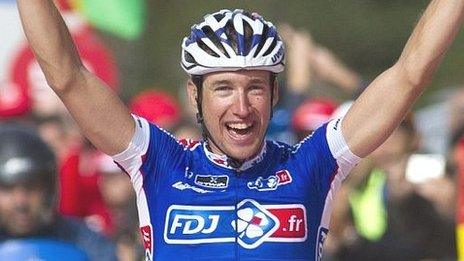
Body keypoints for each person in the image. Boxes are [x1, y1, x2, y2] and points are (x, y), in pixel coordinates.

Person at [16, 1, 464, 260]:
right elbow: (68, 77)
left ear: (274, 93)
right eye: (223, 88)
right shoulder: (157, 162)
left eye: (255, 88)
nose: (242, 107)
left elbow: (409, 75)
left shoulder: (310, 165)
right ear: (195, 96)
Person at [0, 123, 117, 260]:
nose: (21, 202)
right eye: (7, 189)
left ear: (48, 190)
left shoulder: (85, 242)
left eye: (31, 188)